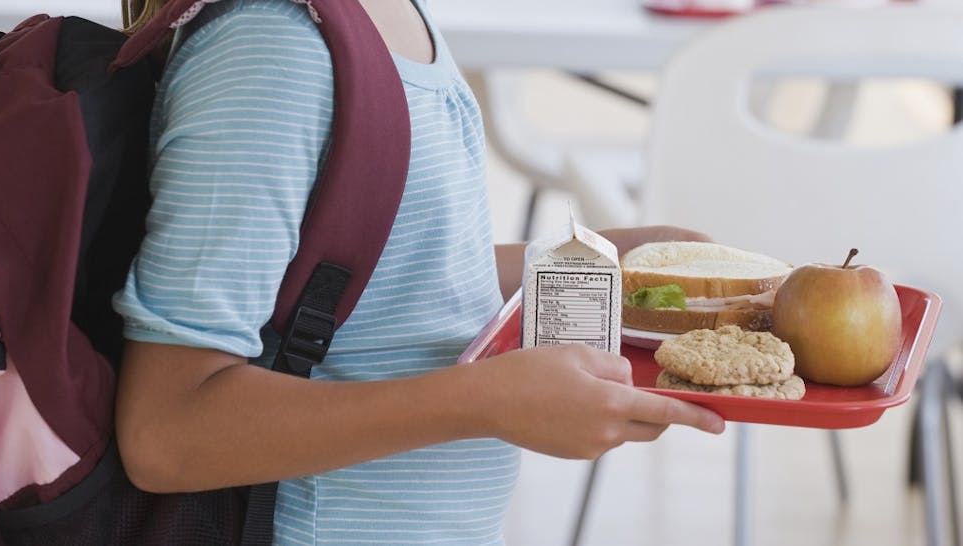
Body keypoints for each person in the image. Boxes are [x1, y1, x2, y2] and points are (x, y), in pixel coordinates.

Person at [113, 0, 726, 543]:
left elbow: (391, 283)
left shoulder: (395, 16)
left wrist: (585, 265)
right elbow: (166, 431)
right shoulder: (273, 51)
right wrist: (484, 403)